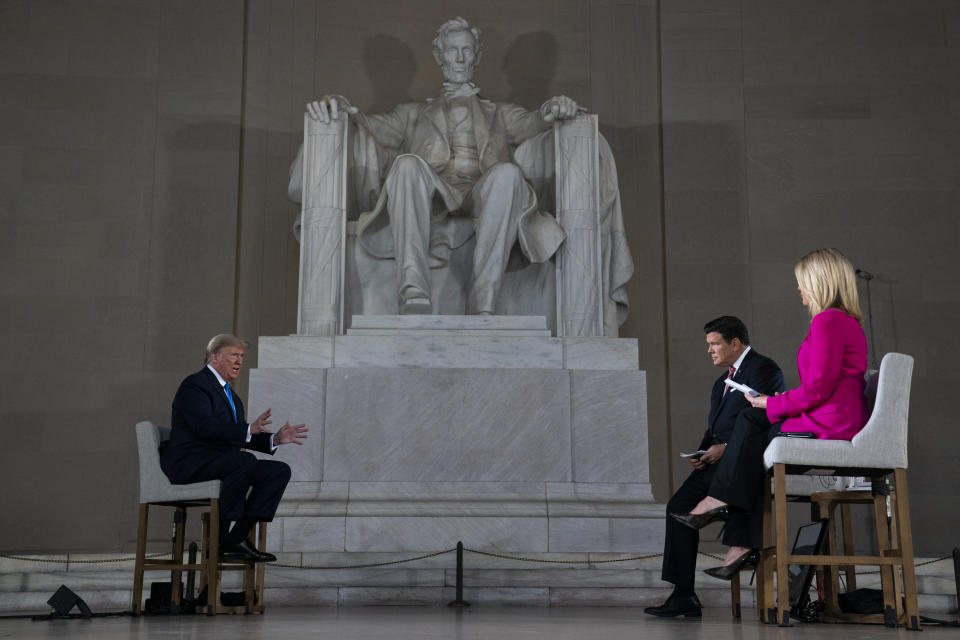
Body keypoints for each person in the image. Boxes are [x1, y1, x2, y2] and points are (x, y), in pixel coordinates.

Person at [294, 17, 617, 316]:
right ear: (440, 56)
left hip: (482, 191)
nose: (460, 58)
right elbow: (365, 123)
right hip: (434, 193)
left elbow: (535, 122)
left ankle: (484, 298)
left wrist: (554, 106)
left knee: (507, 173)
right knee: (406, 165)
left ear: (476, 56)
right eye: (452, 50)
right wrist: (336, 103)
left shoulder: (500, 113)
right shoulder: (410, 114)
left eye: (467, 50)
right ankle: (413, 290)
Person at [672, 248, 869, 581]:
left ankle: (720, 508)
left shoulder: (829, 320)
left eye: (801, 282)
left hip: (831, 422)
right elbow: (822, 385)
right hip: (831, 415)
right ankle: (736, 541)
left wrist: (771, 404)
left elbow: (818, 389)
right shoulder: (842, 321)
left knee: (750, 427)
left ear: (819, 282)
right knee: (751, 438)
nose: (799, 289)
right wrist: (773, 403)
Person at [644, 316, 784, 618]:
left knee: (708, 503)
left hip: (743, 462)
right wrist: (704, 450)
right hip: (716, 462)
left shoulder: (764, 368)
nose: (709, 350)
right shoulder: (721, 381)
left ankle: (740, 545)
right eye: (708, 345)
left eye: (714, 343)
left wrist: (726, 449)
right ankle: (683, 595)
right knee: (677, 508)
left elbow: (761, 420)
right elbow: (716, 427)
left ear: (734, 343)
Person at [160, 334, 309, 562]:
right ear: (214, 357)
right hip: (190, 463)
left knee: (278, 471)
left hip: (220, 462)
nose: (239, 361)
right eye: (233, 355)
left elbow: (238, 435)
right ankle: (219, 539)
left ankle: (235, 538)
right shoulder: (195, 385)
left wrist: (274, 440)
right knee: (244, 461)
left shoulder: (232, 397)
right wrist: (248, 429)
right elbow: (204, 428)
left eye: (241, 356)